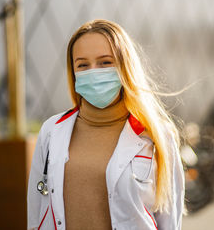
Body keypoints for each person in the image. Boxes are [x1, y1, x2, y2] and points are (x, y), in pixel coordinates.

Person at [27, 19, 185, 230]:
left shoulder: (156, 134)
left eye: (105, 62)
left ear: (124, 66)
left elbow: (169, 220)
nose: (94, 72)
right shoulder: (51, 131)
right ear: (73, 72)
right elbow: (36, 212)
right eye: (83, 65)